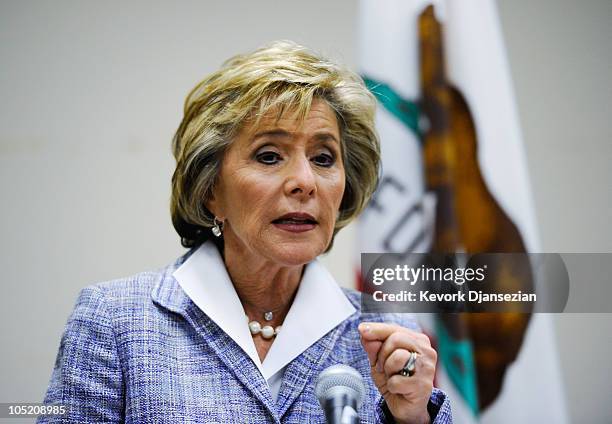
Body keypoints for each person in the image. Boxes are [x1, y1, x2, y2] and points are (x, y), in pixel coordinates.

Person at [39, 41, 452, 423]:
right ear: (210, 191)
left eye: (324, 158)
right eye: (269, 156)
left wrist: (413, 417)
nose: (304, 181)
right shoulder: (114, 320)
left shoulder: (392, 335)